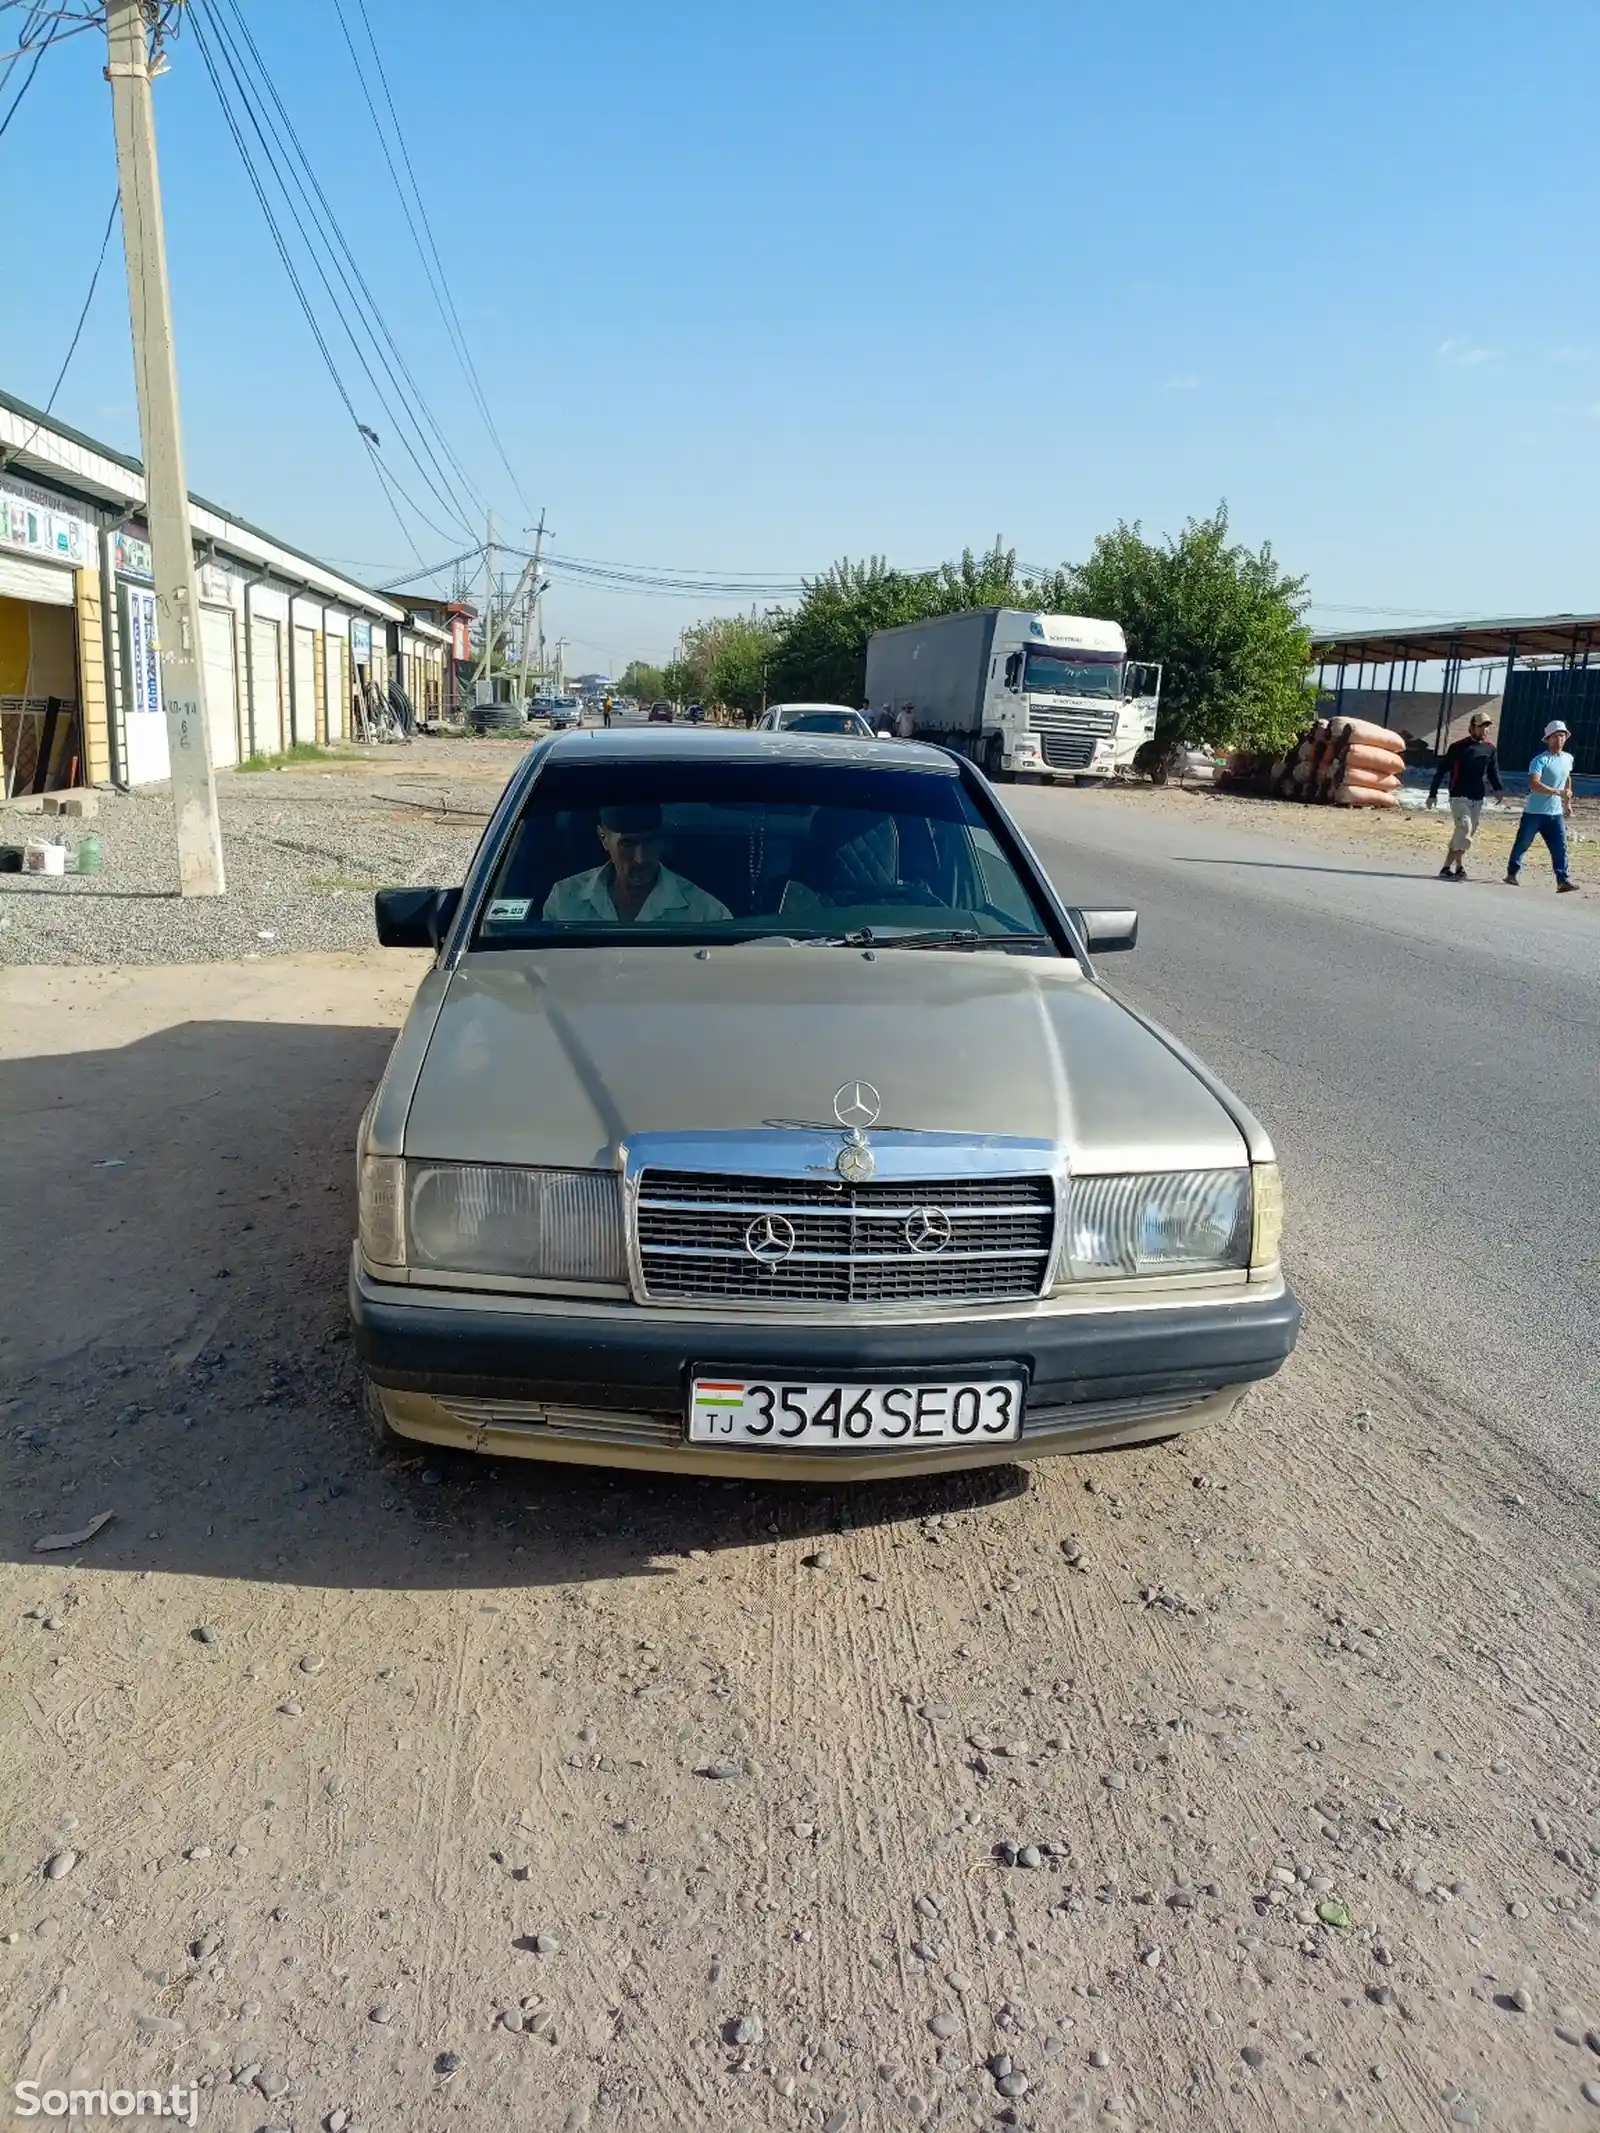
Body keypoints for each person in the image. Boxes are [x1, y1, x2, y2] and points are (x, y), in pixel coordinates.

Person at [543, 803, 732, 923]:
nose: (640, 858)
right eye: (627, 844)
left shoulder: (706, 914)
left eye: (650, 842)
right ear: (603, 839)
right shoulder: (565, 901)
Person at [1505, 719, 1579, 893]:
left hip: (1555, 813)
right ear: (1548, 739)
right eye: (1555, 736)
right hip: (1534, 812)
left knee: (1560, 846)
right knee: (1523, 843)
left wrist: (1567, 803)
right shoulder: (1540, 760)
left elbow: (1567, 778)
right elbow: (1534, 784)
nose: (1559, 739)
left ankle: (1563, 880)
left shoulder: (1568, 758)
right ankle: (1511, 873)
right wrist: (1556, 792)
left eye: (1562, 736)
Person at [1428, 709, 1504, 878]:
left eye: (1487, 726)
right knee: (1465, 828)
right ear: (1472, 727)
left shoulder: (1490, 749)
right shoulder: (1457, 748)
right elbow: (1441, 771)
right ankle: (1453, 866)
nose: (1485, 730)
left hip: (1478, 797)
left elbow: (1493, 771)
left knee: (1462, 834)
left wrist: (1498, 789)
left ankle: (1452, 867)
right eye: (1481, 726)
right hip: (1458, 796)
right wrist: (1432, 793)